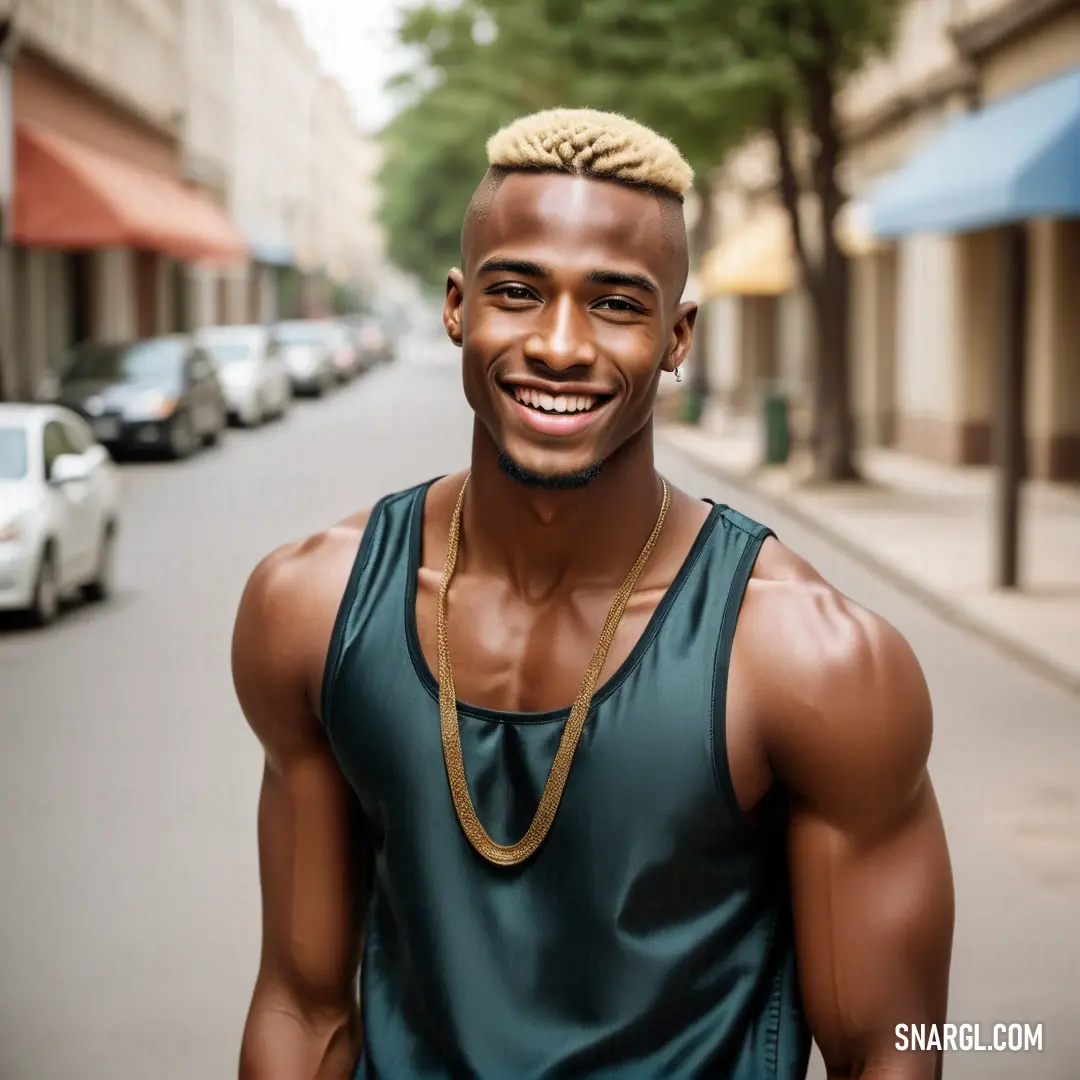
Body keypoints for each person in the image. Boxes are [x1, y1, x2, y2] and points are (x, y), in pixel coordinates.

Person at [233, 109, 954, 1080]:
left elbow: (891, 1052)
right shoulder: (311, 609)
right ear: (457, 307)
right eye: (518, 291)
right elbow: (301, 1005)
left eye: (616, 303)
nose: (561, 345)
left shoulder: (808, 660)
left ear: (676, 334)